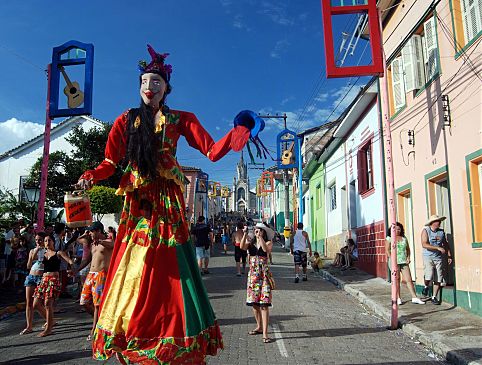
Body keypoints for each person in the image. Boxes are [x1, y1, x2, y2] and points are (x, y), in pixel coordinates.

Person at [75, 45, 255, 364]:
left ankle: (174, 326)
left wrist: (238, 133)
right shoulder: (125, 121)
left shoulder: (180, 119)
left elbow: (211, 151)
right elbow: (109, 161)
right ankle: (131, 325)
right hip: (139, 199)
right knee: (135, 257)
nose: (149, 86)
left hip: (166, 200)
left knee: (172, 260)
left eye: (156, 81)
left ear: (166, 88)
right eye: (144, 80)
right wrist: (91, 175)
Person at [75, 221, 113, 341]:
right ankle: (100, 320)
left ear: (98, 231)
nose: (90, 233)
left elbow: (113, 245)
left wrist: (100, 240)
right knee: (84, 302)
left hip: (101, 275)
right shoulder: (92, 244)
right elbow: (86, 258)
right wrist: (77, 269)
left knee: (97, 305)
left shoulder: (106, 242)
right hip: (91, 275)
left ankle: (94, 329)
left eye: (92, 231)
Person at [33, 234, 73, 337]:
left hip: (53, 279)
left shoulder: (58, 253)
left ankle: (48, 329)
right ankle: (50, 321)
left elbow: (70, 261)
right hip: (43, 280)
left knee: (47, 304)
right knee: (36, 304)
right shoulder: (43, 253)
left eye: (49, 240)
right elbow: (31, 261)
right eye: (45, 241)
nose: (47, 242)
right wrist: (37, 250)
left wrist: (70, 268)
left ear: (53, 242)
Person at [240, 222, 274, 343]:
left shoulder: (268, 242)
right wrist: (244, 234)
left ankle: (265, 333)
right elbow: (242, 247)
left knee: (264, 305)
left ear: (264, 232)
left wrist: (260, 238)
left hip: (264, 276)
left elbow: (266, 249)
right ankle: (259, 326)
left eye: (260, 230)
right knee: (254, 304)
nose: (258, 231)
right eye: (256, 230)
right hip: (253, 277)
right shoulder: (251, 243)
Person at [385, 222, 425, 305]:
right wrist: (391, 259)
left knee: (409, 279)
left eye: (399, 229)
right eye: (395, 229)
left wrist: (408, 257)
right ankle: (398, 297)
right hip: (394, 261)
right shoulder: (389, 238)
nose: (397, 230)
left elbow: (408, 249)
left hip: (403, 261)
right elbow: (387, 250)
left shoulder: (404, 238)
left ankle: (414, 297)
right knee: (397, 279)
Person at [421, 215, 452, 305]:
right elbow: (424, 244)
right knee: (429, 275)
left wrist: (449, 255)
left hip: (438, 257)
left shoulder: (441, 232)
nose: (439, 222)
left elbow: (445, 244)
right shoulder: (426, 230)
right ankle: (426, 286)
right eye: (437, 221)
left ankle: (434, 296)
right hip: (428, 256)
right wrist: (437, 248)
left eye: (439, 221)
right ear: (432, 223)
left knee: (439, 276)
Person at [20, 232, 47, 335]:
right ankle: (29, 326)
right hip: (31, 276)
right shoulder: (32, 250)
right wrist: (34, 254)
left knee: (37, 303)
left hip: (42, 277)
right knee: (29, 302)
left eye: (40, 239)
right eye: (36, 240)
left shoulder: (47, 250)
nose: (38, 242)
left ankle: (49, 320)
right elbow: (28, 265)